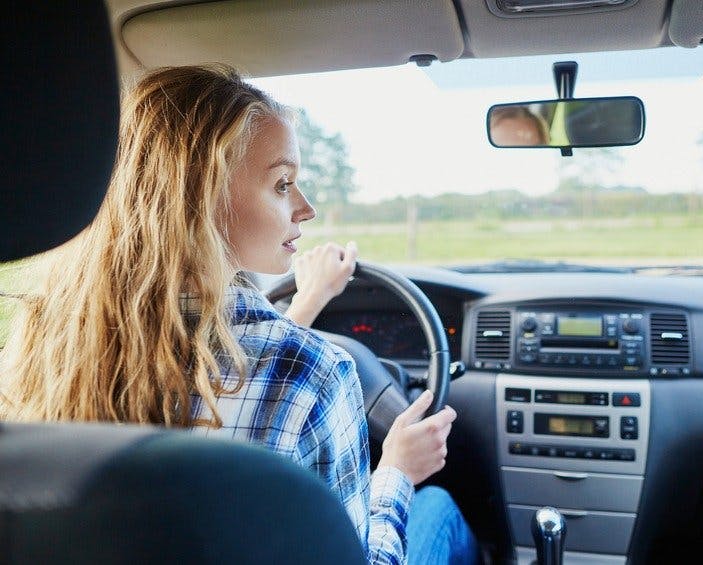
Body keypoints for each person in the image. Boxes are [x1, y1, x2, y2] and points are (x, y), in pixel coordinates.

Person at [0, 64, 477, 565]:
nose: (306, 208)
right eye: (281, 184)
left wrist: (305, 304)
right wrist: (396, 473)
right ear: (200, 196)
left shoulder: (45, 347)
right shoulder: (315, 372)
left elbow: (222, 362)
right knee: (438, 507)